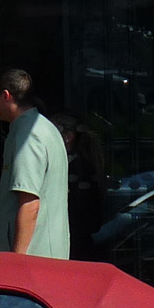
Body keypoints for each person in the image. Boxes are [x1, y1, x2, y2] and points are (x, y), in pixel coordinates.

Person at [0, 68, 70, 259]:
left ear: (6, 96)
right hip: (47, 257)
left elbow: (29, 203)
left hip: (33, 261)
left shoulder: (28, 135)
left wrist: (17, 261)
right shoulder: (44, 128)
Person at [52, 109, 107, 261]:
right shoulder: (83, 165)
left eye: (52, 133)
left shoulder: (76, 169)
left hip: (74, 243)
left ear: (68, 137)